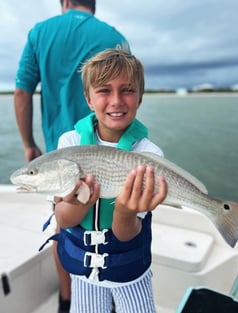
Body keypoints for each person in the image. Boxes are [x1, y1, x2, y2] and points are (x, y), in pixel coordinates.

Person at [14, 1, 130, 312]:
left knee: (64, 229)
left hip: (58, 155)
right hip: (113, 157)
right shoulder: (114, 36)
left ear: (64, 2)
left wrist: (28, 143)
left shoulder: (41, 32)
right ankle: (110, 295)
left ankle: (68, 299)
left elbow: (22, 91)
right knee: (115, 222)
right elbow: (124, 97)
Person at [52, 49, 168, 313]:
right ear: (88, 99)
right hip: (83, 274)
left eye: (127, 90)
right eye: (104, 90)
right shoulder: (68, 145)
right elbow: (64, 220)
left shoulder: (150, 155)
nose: (116, 100)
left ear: (139, 98)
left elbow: (126, 234)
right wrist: (80, 203)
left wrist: (125, 212)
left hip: (130, 272)